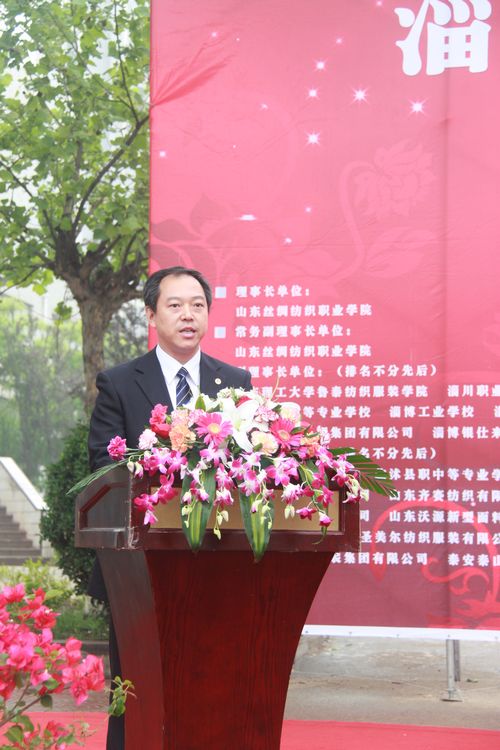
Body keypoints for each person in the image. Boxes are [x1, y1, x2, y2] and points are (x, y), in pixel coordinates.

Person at [87, 266, 252, 749]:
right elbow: (103, 465)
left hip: (218, 564)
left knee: (213, 684)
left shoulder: (234, 381)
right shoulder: (119, 382)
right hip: (139, 571)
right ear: (151, 315)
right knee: (137, 692)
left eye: (197, 306)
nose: (188, 315)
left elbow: (248, 465)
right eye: (175, 305)